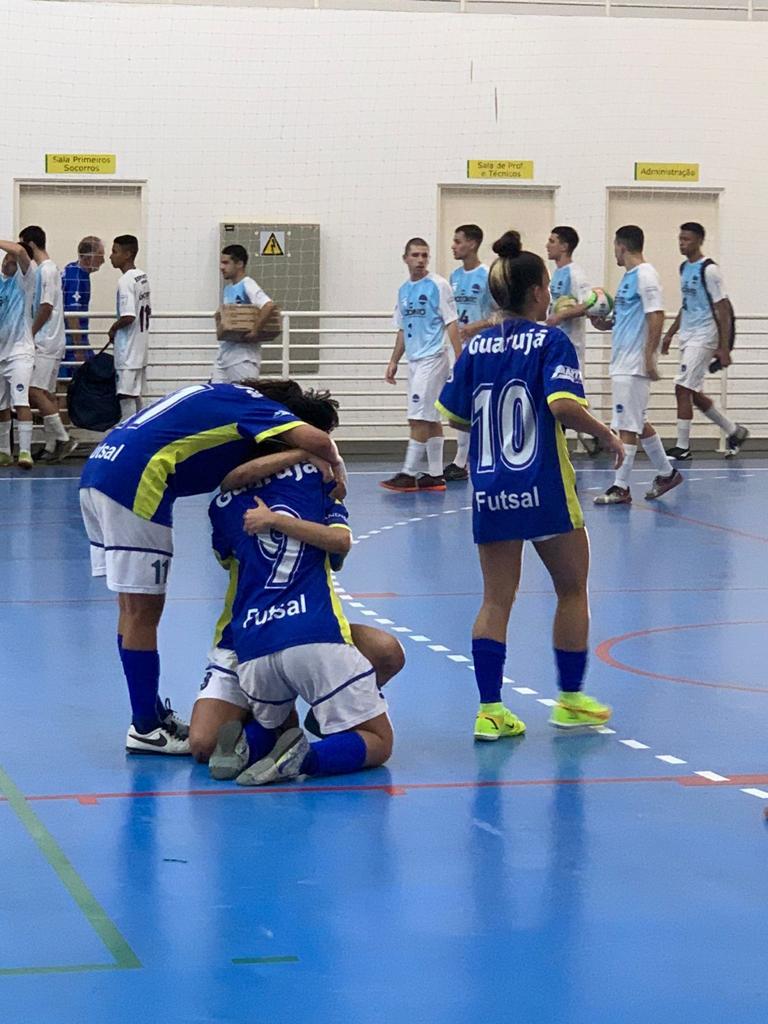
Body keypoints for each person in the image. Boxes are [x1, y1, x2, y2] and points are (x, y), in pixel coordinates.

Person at [78, 378, 348, 755]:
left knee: (130, 608)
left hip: (100, 470)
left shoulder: (222, 394)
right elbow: (318, 442)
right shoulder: (259, 409)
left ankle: (149, 714)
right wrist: (329, 463)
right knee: (143, 612)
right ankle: (145, 727)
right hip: (137, 481)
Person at [436, 230, 623, 738]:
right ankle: (569, 700)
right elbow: (563, 405)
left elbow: (453, 416)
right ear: (541, 291)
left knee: (496, 598)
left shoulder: (478, 348)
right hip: (542, 484)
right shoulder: (552, 340)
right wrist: (605, 434)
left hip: (492, 487)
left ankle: (490, 710)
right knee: (571, 588)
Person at [189, 392, 404, 763]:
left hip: (258, 633)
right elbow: (339, 548)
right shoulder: (321, 483)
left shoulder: (226, 501)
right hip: (268, 634)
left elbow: (228, 488)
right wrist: (308, 464)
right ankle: (307, 745)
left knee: (383, 651)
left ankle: (273, 735)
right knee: (204, 743)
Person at [592, 225, 683, 505]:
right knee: (637, 421)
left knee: (626, 426)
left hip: (633, 364)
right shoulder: (628, 278)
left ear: (621, 246)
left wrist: (648, 356)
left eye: (615, 247)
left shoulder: (646, 275)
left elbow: (656, 315)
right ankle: (667, 473)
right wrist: (602, 323)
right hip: (623, 360)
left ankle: (621, 487)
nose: (614, 253)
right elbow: (624, 319)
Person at [662, 222, 749, 460]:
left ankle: (682, 447)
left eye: (687, 239)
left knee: (681, 387)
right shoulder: (683, 268)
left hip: (704, 335)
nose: (682, 243)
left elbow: (722, 309)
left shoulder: (709, 270)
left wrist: (723, 346)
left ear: (699, 240)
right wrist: (670, 333)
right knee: (694, 393)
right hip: (689, 334)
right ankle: (734, 430)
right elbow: (686, 304)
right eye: (680, 238)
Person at [381, 238, 461, 492]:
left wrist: (461, 360)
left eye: (424, 255)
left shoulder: (438, 285)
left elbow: (451, 323)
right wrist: (394, 360)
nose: (420, 260)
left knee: (417, 418)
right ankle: (435, 475)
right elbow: (403, 328)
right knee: (430, 417)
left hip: (433, 359)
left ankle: (408, 473)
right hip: (415, 360)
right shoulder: (404, 290)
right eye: (415, 255)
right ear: (405, 258)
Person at [18, 226, 77, 462]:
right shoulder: (44, 270)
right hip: (50, 339)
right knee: (47, 393)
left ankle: (63, 438)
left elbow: (46, 306)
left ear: (30, 245)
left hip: (46, 341)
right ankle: (51, 445)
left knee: (34, 391)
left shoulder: (48, 270)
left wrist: (30, 333)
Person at [444, 224, 496, 483]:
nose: (453, 246)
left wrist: (478, 326)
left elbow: (501, 315)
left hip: (484, 349)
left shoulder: (487, 275)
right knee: (462, 403)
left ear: (472, 244)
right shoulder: (453, 276)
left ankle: (483, 455)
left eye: (458, 241)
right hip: (460, 349)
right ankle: (460, 460)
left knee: (483, 403)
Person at [214, 245, 276, 383]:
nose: (221, 267)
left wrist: (255, 330)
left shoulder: (248, 284)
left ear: (239, 264)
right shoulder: (228, 288)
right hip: (225, 356)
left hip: (243, 357)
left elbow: (268, 305)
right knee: (218, 397)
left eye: (226, 263)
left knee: (244, 396)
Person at [0, 240, 36, 469]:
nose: (7, 264)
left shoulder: (25, 281)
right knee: (1, 406)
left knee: (20, 401)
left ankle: (25, 452)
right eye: (5, 260)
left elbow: (21, 251)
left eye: (12, 262)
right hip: (1, 353)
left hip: (20, 352)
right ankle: (4, 451)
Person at [107, 235, 150, 421]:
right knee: (136, 394)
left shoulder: (125, 281)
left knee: (125, 395)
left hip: (128, 349)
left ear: (127, 254)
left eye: (115, 251)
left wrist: (113, 328)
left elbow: (128, 316)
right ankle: (143, 432)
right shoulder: (142, 276)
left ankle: (128, 434)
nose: (111, 256)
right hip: (140, 347)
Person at [62, 235, 105, 373]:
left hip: (78, 339)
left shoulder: (72, 269)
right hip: (70, 341)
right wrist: (78, 349)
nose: (103, 261)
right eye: (100, 256)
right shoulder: (77, 279)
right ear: (88, 257)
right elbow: (72, 315)